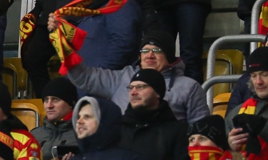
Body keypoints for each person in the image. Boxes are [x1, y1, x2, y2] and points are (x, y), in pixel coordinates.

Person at [65, 30, 210, 124]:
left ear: (169, 56)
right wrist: (62, 41)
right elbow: (83, 76)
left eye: (157, 50)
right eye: (145, 50)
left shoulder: (189, 87)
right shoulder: (122, 77)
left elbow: (200, 128)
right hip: (123, 151)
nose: (150, 55)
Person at [45, 0, 142, 70]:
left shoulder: (121, 4)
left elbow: (122, 43)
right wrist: (60, 27)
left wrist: (102, 74)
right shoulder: (99, 6)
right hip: (87, 78)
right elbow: (84, 41)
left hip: (102, 78)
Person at [30, 77, 79, 160]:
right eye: (46, 100)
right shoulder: (34, 134)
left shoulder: (81, 135)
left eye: (55, 100)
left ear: (71, 104)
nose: (49, 106)